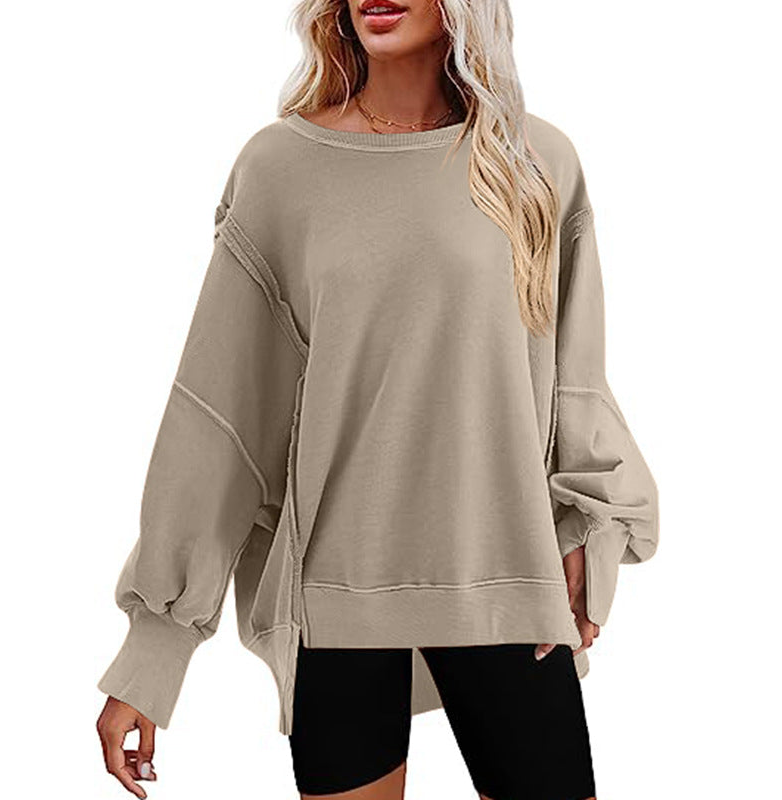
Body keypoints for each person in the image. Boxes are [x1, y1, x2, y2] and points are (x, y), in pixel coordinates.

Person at [95, 1, 659, 798]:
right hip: (337, 603)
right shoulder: (282, 169)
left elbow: (576, 379)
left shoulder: (535, 163)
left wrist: (590, 527)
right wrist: (153, 652)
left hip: (503, 581)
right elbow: (220, 416)